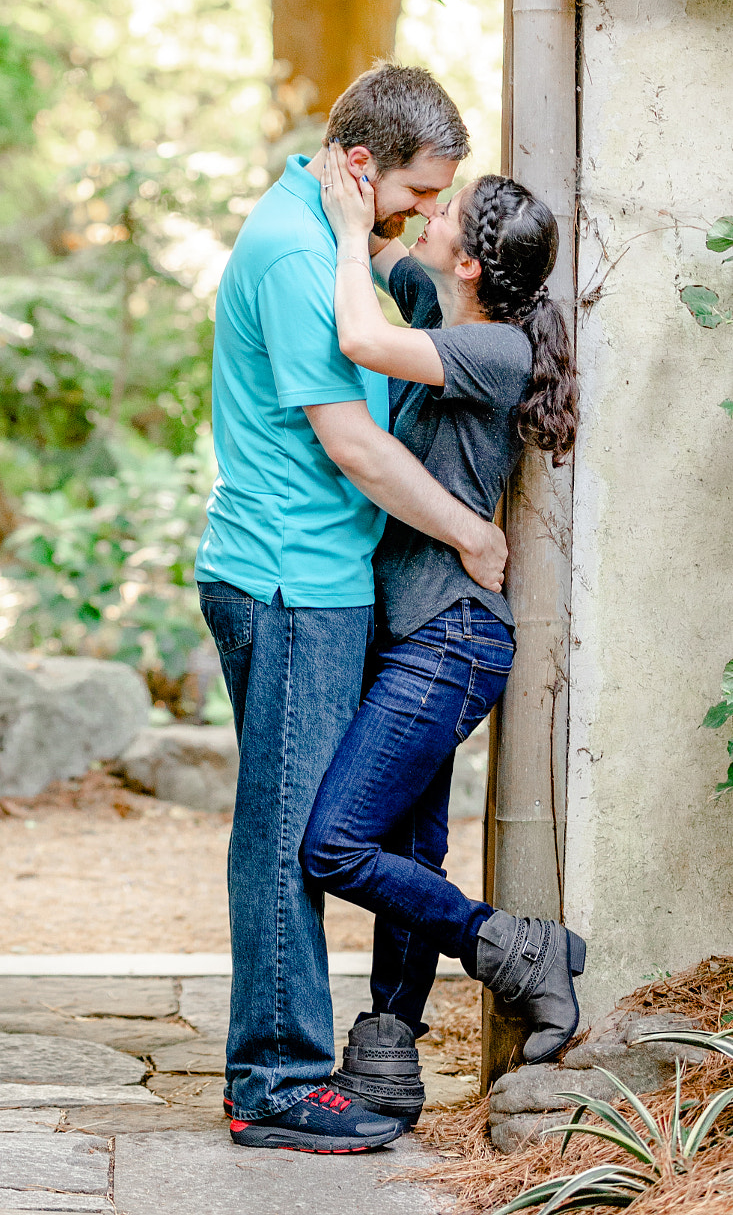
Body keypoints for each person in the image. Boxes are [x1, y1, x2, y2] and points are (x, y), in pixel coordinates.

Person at [196, 64, 508, 1156]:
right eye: (423, 190)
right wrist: (471, 533)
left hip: (320, 579)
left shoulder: (323, 231)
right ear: (364, 164)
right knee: (289, 834)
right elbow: (355, 443)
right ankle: (274, 1082)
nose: (430, 212)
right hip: (288, 582)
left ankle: (301, 1060)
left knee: (311, 825)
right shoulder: (292, 251)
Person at [299, 150, 583, 1129]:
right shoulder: (448, 307)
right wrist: (355, 192)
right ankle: (386, 1057)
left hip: (449, 641)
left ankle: (510, 943)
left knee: (335, 843)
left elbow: (358, 334)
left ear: (471, 263)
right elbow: (392, 259)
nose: (429, 216)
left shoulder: (494, 350)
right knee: (407, 848)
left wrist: (343, 236)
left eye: (446, 212)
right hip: (419, 637)